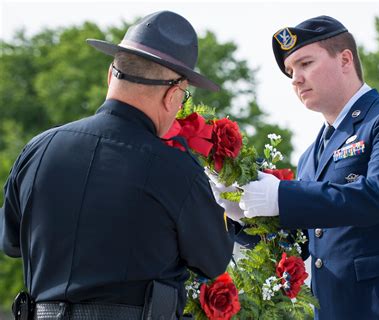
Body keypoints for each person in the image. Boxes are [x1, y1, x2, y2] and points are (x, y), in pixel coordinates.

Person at [0, 11, 234, 320]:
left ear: (111, 75)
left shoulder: (37, 150)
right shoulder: (177, 171)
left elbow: (11, 242)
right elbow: (213, 260)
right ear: (172, 94)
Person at [231, 15, 379, 319]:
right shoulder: (310, 156)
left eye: (305, 63)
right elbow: (303, 245)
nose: (295, 78)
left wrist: (281, 196)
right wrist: (243, 216)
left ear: (345, 59)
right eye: (291, 71)